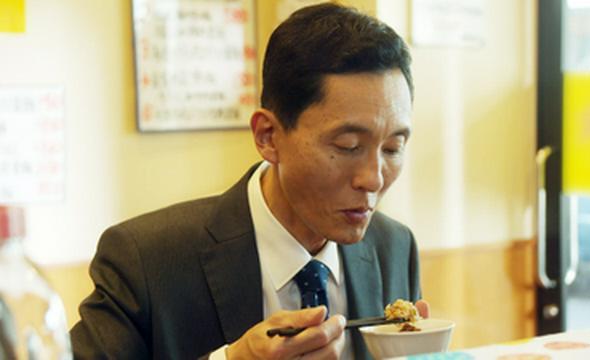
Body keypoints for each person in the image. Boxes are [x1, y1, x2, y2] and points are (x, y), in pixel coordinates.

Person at [70, 3, 428, 359]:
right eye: (347, 146)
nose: (373, 178)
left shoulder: (393, 247)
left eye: (393, 148)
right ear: (268, 136)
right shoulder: (146, 261)